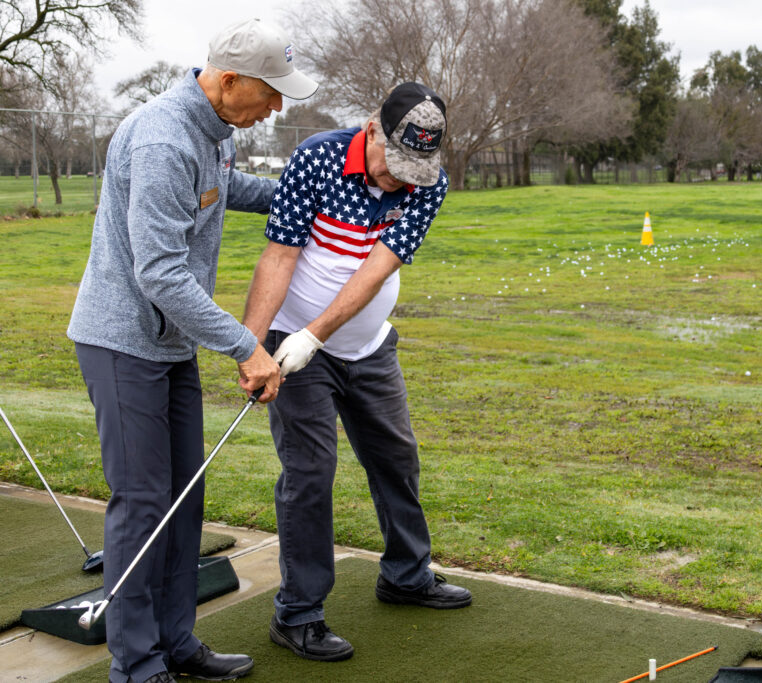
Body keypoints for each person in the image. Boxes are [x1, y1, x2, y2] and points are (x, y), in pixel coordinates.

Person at [67, 18, 318, 683]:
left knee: (183, 498)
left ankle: (177, 642)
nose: (278, 107)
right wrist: (246, 345)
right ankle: (137, 664)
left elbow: (226, 192)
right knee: (144, 502)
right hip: (121, 342)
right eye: (270, 92)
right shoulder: (162, 138)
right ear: (230, 79)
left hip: (168, 344)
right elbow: (161, 273)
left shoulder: (216, 133)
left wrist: (303, 202)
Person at [241, 82, 471, 662]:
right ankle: (298, 614)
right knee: (311, 471)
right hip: (290, 343)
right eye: (394, 163)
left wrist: (319, 337)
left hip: (365, 346)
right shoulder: (317, 157)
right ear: (371, 129)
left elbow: (376, 269)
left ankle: (406, 575)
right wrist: (254, 349)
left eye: (414, 169)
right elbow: (280, 254)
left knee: (396, 456)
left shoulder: (429, 182)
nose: (401, 179)